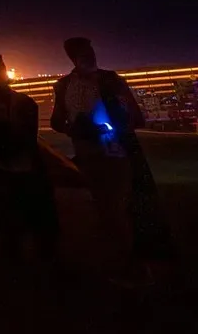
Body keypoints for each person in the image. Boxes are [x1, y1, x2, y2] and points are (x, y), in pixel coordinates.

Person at [49, 37, 175, 279]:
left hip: (117, 153)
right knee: (107, 209)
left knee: (119, 208)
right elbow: (57, 121)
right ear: (72, 57)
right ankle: (126, 262)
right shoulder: (64, 86)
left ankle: (133, 264)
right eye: (82, 53)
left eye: (90, 51)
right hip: (89, 156)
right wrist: (77, 129)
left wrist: (113, 126)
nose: (89, 56)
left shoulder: (111, 80)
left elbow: (136, 117)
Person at [0, 57, 58, 260]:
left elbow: (27, 136)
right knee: (7, 216)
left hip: (20, 168)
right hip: (1, 169)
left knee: (31, 213)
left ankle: (40, 253)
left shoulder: (24, 103)